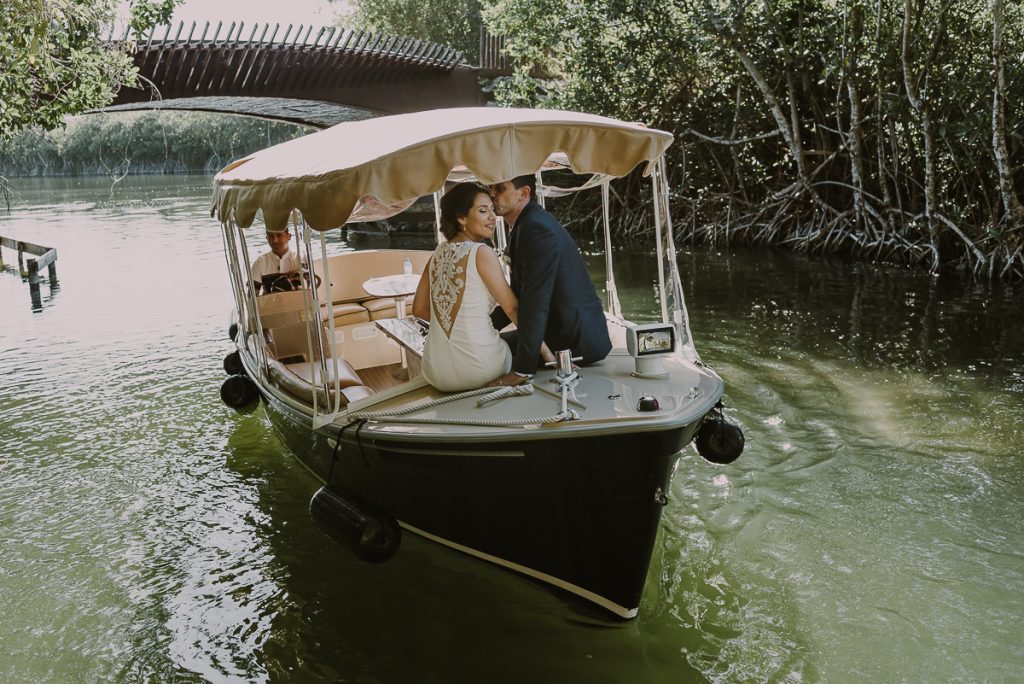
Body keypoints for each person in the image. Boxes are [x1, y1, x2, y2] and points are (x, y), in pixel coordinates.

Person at [412, 182, 547, 392]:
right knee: (529, 342)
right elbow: (512, 309)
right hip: (479, 367)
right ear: (461, 217)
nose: (493, 217)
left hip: (435, 371)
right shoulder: (481, 252)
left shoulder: (437, 253)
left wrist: (453, 325)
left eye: (492, 210)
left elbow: (418, 310)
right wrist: (547, 353)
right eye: (483, 211)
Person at [487, 174, 611, 386]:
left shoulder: (535, 228)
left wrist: (523, 370)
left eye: (499, 188)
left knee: (489, 352)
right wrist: (485, 325)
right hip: (557, 327)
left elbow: (535, 301)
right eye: (491, 188)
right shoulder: (526, 223)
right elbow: (518, 294)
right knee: (486, 342)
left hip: (572, 340)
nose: (492, 194)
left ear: (523, 193)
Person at [251, 228, 301, 293]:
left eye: (279, 235)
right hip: (270, 302)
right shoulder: (260, 263)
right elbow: (252, 295)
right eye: (271, 236)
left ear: (289, 236)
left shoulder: (300, 259)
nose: (275, 240)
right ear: (267, 238)